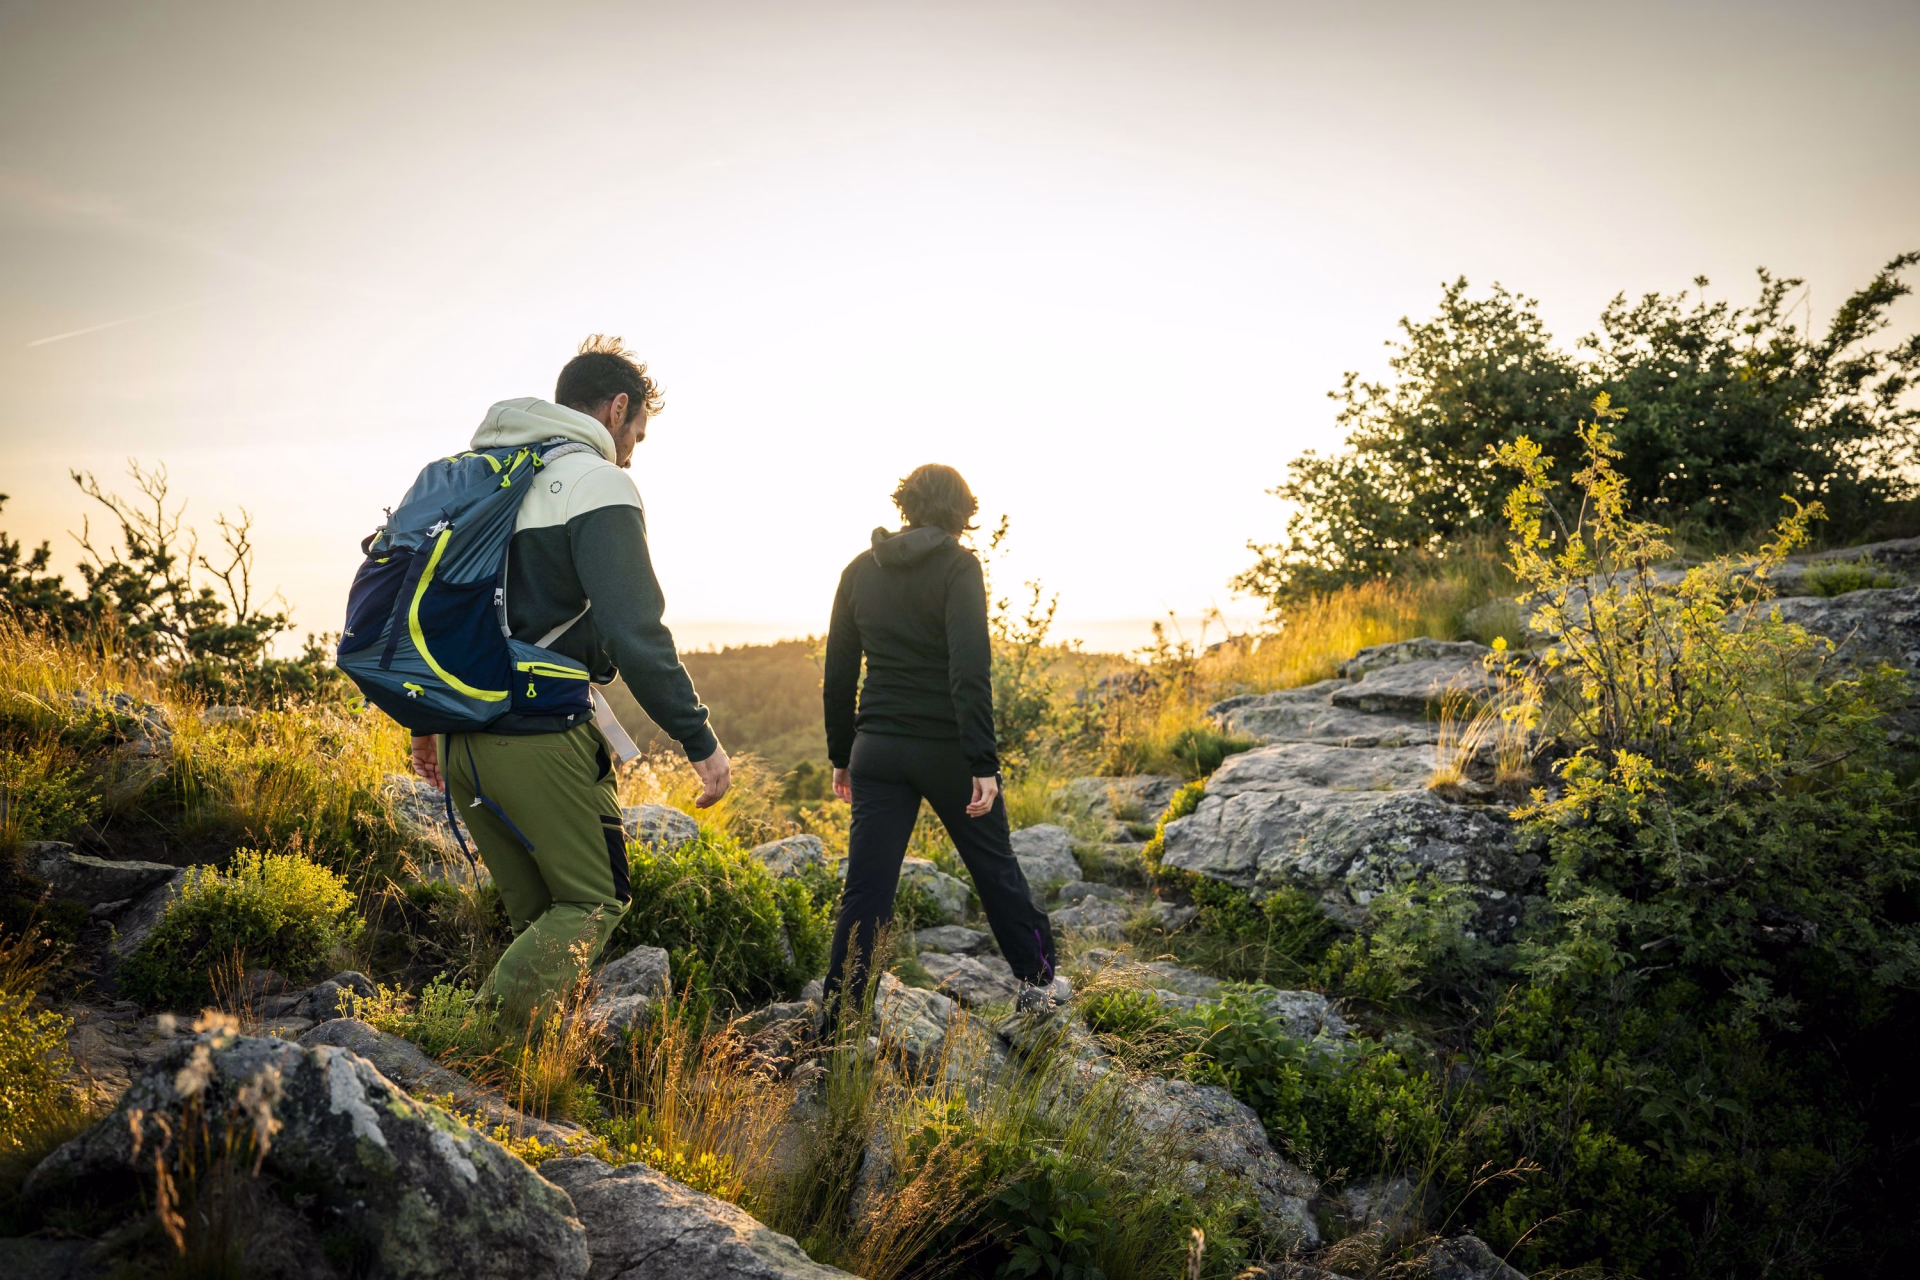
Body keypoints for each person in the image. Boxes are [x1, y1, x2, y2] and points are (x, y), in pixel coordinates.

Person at [411, 335, 730, 1025]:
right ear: (617, 409)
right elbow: (633, 633)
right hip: (540, 736)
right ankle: (467, 1049)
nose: (633, 452)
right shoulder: (596, 481)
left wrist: (426, 723)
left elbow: (434, 604)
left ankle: (522, 1083)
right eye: (638, 434)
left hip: (464, 742)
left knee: (539, 919)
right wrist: (698, 740)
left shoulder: (478, 475)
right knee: (591, 903)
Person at [822, 463, 1061, 1017]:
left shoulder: (859, 569)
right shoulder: (958, 566)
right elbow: (969, 670)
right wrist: (982, 761)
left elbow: (838, 674)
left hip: (876, 748)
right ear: (962, 512)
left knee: (867, 889)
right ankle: (1038, 985)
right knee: (994, 868)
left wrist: (841, 755)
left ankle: (842, 1016)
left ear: (906, 504)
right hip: (946, 750)